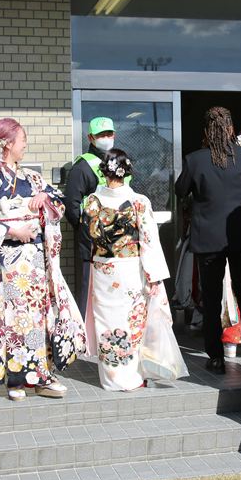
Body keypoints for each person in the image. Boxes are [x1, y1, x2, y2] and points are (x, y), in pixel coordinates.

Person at [0, 118, 85, 401]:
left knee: (40, 317)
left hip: (36, 262)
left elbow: (58, 200)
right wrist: (12, 230)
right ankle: (15, 379)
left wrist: (44, 197)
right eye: (22, 140)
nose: (26, 145)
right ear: (6, 144)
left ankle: (42, 376)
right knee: (14, 319)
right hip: (8, 262)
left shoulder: (31, 178)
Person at [175, 106, 241, 375]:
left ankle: (216, 357)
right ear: (230, 129)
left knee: (212, 298)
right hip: (240, 237)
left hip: (207, 239)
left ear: (207, 131)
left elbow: (180, 190)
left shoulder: (195, 160)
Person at [81, 149, 183, 391]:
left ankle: (111, 379)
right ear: (127, 172)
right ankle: (132, 377)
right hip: (130, 269)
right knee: (132, 321)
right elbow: (149, 240)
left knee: (106, 322)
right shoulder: (139, 201)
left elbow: (91, 235)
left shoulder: (92, 201)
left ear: (104, 172)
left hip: (103, 268)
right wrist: (154, 276)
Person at [65, 117, 120, 315]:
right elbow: (71, 205)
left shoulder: (119, 162)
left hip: (119, 240)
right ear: (90, 137)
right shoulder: (83, 167)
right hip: (91, 242)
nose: (106, 138)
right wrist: (85, 229)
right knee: (89, 292)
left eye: (109, 134)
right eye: (101, 135)